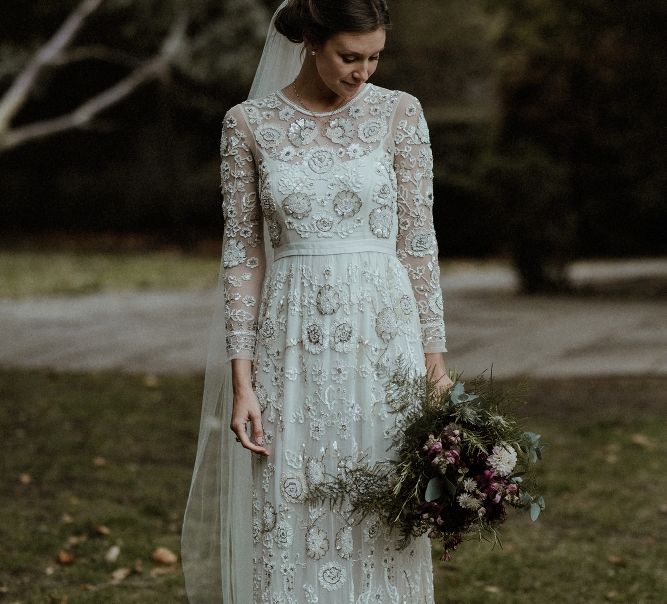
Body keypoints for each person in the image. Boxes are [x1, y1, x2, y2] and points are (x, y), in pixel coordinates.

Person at [181, 1, 453, 601]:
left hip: (385, 340)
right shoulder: (248, 124)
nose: (363, 72)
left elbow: (418, 242)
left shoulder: (399, 114)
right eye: (348, 57)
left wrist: (435, 360)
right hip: (292, 342)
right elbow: (243, 257)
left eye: (375, 57)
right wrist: (243, 379)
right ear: (309, 40)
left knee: (386, 509)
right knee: (295, 503)